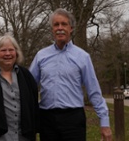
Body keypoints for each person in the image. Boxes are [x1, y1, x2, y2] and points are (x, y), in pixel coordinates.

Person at [29, 8, 112, 141]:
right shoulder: (41, 56)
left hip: (73, 120)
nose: (60, 28)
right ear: (52, 29)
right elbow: (28, 85)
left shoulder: (83, 57)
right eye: (56, 25)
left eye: (64, 24)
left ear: (71, 28)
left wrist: (104, 122)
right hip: (46, 119)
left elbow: (94, 91)